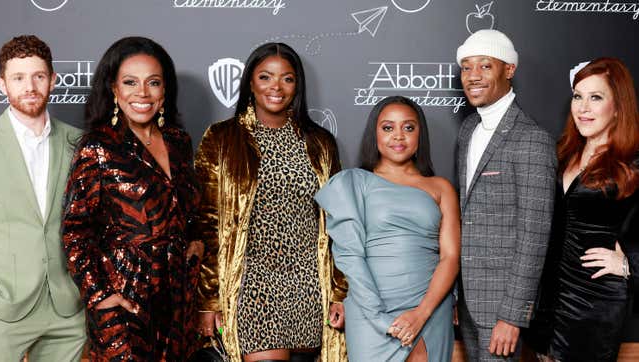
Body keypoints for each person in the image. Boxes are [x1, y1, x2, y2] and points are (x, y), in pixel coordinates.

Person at [194, 42, 347, 362]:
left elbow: (339, 222)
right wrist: (210, 300)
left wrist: (338, 292)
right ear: (250, 81)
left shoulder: (319, 143)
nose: (276, 87)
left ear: (297, 85)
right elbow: (206, 222)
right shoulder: (222, 138)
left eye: (287, 79)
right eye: (265, 77)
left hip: (307, 286)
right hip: (251, 287)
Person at [61, 36, 201, 360]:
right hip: (124, 302)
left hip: (177, 303)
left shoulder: (179, 142)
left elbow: (187, 208)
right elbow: (75, 231)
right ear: (114, 89)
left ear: (165, 90)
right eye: (130, 82)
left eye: (153, 82)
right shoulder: (97, 148)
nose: (142, 93)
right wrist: (100, 295)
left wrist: (195, 243)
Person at [314, 96, 460, 361]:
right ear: (375, 134)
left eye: (408, 127)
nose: (398, 136)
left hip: (429, 305)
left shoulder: (440, 188)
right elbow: (349, 255)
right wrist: (376, 314)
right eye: (388, 127)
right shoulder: (353, 183)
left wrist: (421, 313)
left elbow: (450, 257)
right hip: (370, 307)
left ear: (419, 135)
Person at [455, 29, 557, 360]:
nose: (473, 77)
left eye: (485, 66)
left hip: (502, 310)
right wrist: (460, 296)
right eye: (467, 67)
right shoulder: (469, 128)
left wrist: (513, 316)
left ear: (509, 70)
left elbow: (534, 236)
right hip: (470, 305)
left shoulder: (532, 140)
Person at [531, 57, 639, 362]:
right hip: (551, 302)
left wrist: (629, 264)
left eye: (596, 97)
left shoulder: (632, 164)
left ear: (618, 106)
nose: (583, 107)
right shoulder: (563, 154)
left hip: (595, 303)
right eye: (578, 96)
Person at [0, 34, 85, 361]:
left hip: (67, 309)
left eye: (39, 76)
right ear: (3, 84)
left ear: (53, 80)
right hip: (3, 310)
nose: (29, 86)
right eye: (18, 78)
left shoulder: (79, 143)